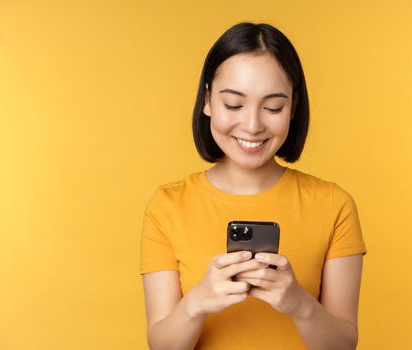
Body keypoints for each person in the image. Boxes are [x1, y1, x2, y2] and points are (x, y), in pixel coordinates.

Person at [139, 22, 367, 350]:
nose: (252, 125)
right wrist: (197, 302)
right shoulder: (168, 206)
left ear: (293, 107)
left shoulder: (333, 205)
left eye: (273, 107)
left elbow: (343, 345)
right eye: (233, 104)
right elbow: (162, 346)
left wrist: (299, 303)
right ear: (207, 100)